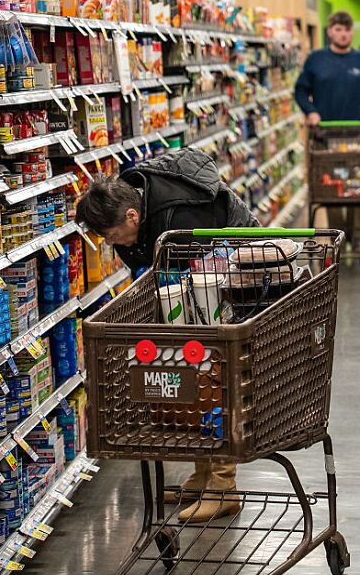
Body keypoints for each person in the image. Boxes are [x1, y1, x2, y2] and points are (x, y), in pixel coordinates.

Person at [75, 148, 258, 523]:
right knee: (195, 375)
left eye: (113, 236)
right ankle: (203, 474)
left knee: (213, 374)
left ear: (132, 215)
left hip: (234, 283)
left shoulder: (181, 214)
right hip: (196, 287)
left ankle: (224, 485)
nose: (114, 244)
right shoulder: (141, 209)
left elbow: (212, 272)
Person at [294, 10, 360, 254]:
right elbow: (300, 90)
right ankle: (339, 237)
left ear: (351, 32)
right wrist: (310, 111)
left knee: (358, 189)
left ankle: (356, 240)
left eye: (347, 30)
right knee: (332, 189)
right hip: (324, 137)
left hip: (357, 137)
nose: (343, 34)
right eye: (338, 29)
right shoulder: (316, 59)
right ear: (330, 32)